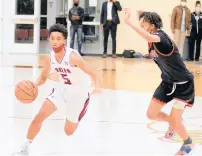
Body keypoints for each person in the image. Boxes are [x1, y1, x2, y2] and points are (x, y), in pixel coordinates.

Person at [13, 23, 101, 155]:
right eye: (52, 38)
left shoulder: (73, 57)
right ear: (49, 39)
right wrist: (33, 85)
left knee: (68, 132)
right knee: (39, 116)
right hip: (61, 89)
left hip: (79, 93)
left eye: (58, 38)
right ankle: (25, 146)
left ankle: (77, 116)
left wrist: (97, 86)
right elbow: (43, 77)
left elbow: (94, 73)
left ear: (64, 41)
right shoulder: (50, 58)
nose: (55, 41)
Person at [124, 9, 195, 155]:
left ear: (151, 25)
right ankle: (174, 123)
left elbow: (147, 35)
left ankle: (188, 143)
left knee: (176, 121)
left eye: (143, 24)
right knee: (151, 114)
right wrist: (142, 14)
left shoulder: (160, 37)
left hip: (183, 85)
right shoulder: (152, 40)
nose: (141, 26)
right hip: (167, 82)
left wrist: (128, 23)